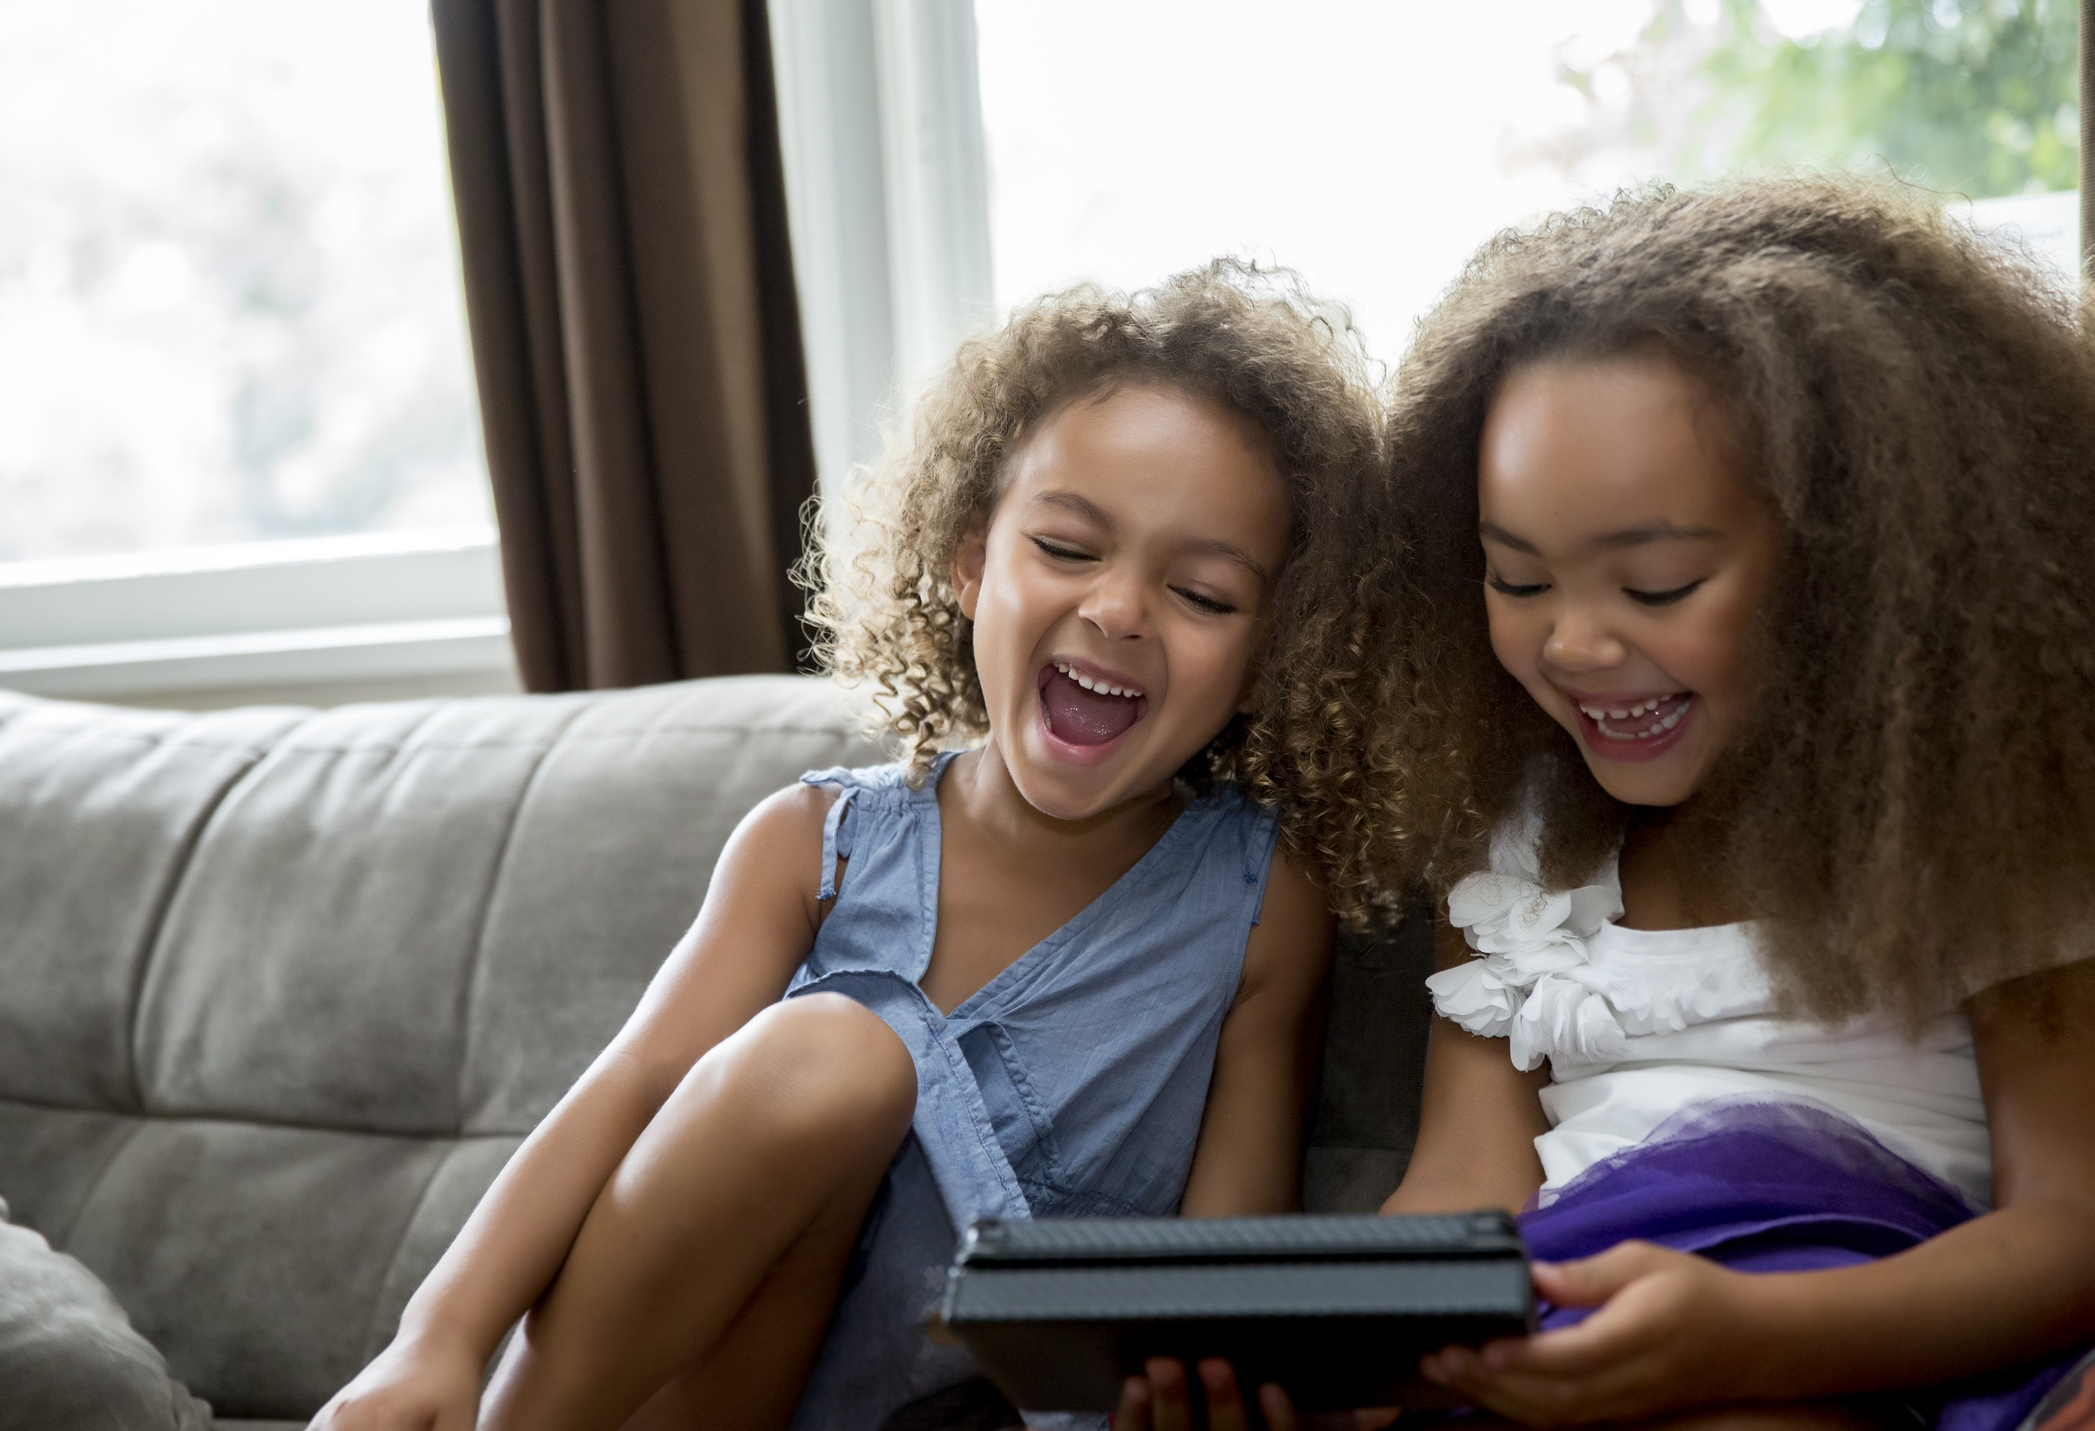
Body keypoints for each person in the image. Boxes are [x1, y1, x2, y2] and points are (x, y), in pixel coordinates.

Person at [310, 261, 1388, 1431]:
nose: (1121, 608)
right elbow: (633, 1087)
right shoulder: (810, 844)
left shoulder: (1258, 899)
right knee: (835, 1054)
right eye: (1069, 550)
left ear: (1271, 650)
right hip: (718, 1396)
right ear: (973, 560)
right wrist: (436, 1343)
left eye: (1203, 594)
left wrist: (1207, 1384)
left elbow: (1219, 1270)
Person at [1118, 181, 2095, 1431]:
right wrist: (1322, 1367)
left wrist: (1745, 1340)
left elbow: (2067, 1232)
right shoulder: (1518, 827)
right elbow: (1464, 1193)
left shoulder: (1992, 817)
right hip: (1564, 1337)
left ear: (1858, 560)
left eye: (1657, 582)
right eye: (1516, 578)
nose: (1574, 644)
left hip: (1853, 1334)